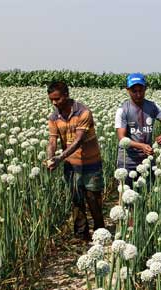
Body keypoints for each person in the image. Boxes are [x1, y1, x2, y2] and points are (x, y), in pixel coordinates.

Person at [46, 81, 105, 241]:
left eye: (57, 99)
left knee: (93, 197)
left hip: (90, 162)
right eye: (51, 99)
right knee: (76, 198)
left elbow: (78, 140)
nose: (54, 103)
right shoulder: (54, 117)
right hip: (71, 164)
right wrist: (50, 158)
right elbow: (52, 141)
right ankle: (81, 235)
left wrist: (59, 157)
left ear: (66, 95)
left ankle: (100, 232)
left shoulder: (83, 112)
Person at [115, 73, 161, 188]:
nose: (138, 94)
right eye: (134, 91)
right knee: (126, 197)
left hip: (147, 159)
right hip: (128, 161)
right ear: (128, 90)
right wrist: (141, 146)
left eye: (141, 90)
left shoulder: (153, 106)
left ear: (145, 89)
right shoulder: (123, 110)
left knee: (147, 196)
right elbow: (121, 138)